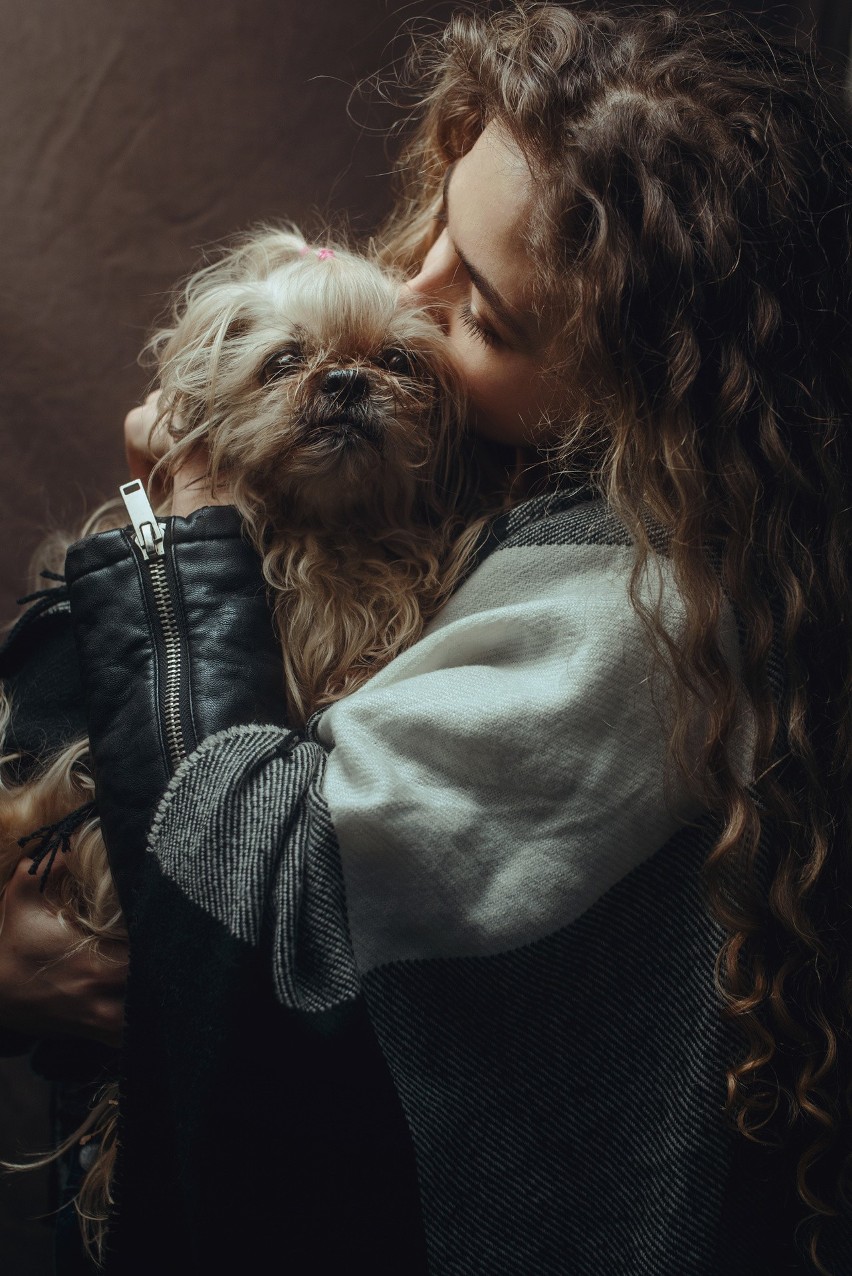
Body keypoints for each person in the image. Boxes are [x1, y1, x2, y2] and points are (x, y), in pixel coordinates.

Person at [3, 3, 852, 1272]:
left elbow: (253, 913)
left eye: (492, 317)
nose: (416, 288)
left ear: (649, 386)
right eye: (444, 227)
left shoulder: (639, 610)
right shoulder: (499, 475)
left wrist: (179, 526)